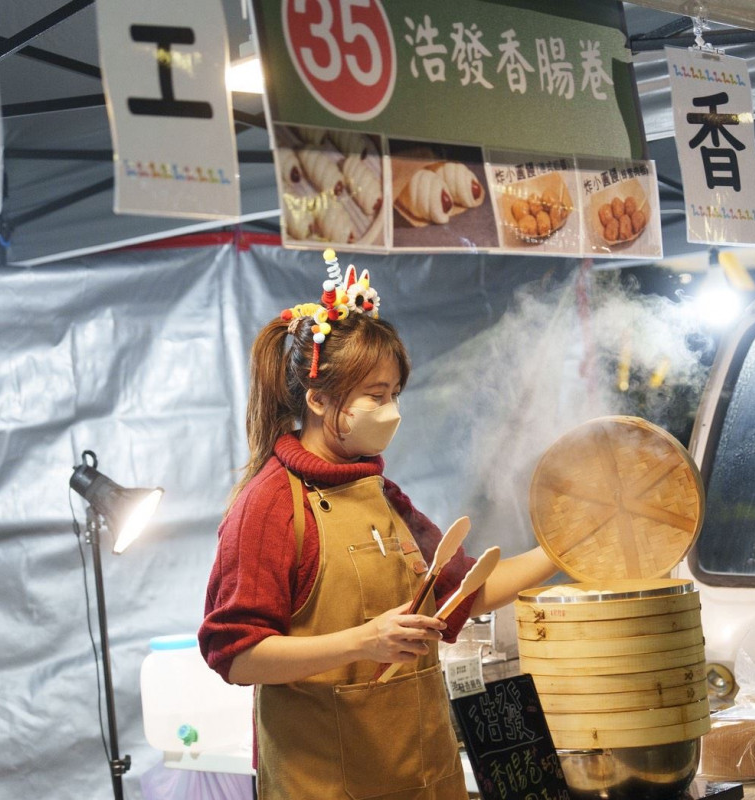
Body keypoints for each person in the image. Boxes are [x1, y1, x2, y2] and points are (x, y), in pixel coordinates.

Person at [198, 255, 558, 800]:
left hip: (425, 777)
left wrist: (562, 550)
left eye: (394, 394)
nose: (392, 410)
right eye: (376, 395)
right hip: (326, 785)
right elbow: (238, 656)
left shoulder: (382, 495)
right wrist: (363, 642)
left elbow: (464, 591)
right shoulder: (270, 506)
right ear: (318, 399)